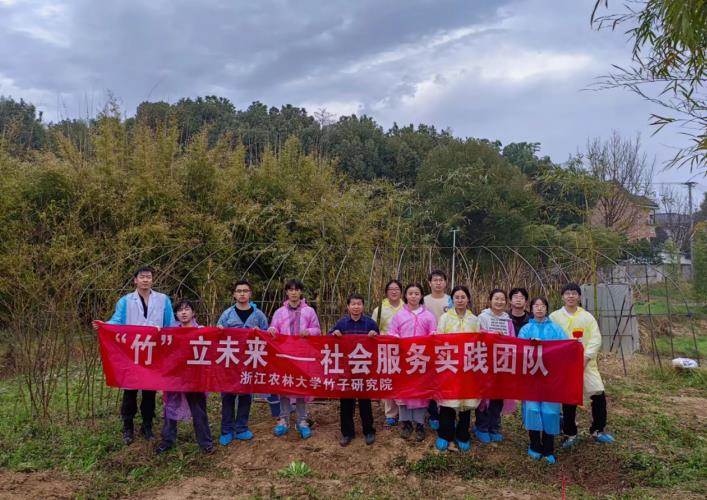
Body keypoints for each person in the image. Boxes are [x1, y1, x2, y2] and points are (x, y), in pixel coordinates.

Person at [92, 266, 173, 445]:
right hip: (131, 352)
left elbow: (170, 324)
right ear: (135, 280)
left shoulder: (163, 300)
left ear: (152, 280)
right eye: (142, 277)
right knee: (130, 391)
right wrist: (104, 325)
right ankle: (128, 426)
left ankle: (147, 425)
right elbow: (117, 321)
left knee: (150, 390)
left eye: (148, 277)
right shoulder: (126, 301)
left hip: (153, 352)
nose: (145, 280)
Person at [550, 283, 615, 447]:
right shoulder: (554, 317)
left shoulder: (587, 317)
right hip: (564, 365)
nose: (571, 296)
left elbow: (595, 338)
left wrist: (585, 358)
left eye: (574, 293)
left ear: (579, 296)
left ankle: (597, 430)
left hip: (586, 364)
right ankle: (570, 433)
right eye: (567, 293)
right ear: (562, 296)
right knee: (569, 399)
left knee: (598, 395)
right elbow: (549, 338)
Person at [156, 300, 214, 454]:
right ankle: (167, 441)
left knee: (198, 410)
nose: (183, 313)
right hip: (175, 376)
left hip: (195, 378)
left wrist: (219, 331)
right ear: (176, 314)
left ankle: (205, 443)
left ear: (193, 313)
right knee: (170, 407)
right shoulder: (170, 333)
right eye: (180, 310)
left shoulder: (201, 331)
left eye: (187, 309)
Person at [216, 280, 269, 446]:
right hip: (230, 362)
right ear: (234, 294)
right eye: (239, 291)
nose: (242, 294)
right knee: (228, 395)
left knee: (246, 395)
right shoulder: (227, 315)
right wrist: (219, 330)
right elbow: (217, 335)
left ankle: (241, 428)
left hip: (249, 362)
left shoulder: (258, 315)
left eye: (245, 291)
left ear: (250, 294)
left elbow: (267, 337)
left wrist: (261, 333)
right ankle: (226, 430)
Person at [268, 279, 321, 439]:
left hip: (303, 356)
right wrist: (272, 329)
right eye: (290, 290)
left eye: (296, 289)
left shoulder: (309, 311)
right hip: (284, 355)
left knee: (301, 386)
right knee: (285, 386)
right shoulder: (279, 312)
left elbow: (317, 329)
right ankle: (283, 420)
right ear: (286, 292)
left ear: (300, 292)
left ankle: (302, 420)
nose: (293, 292)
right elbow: (273, 328)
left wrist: (309, 331)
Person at [517, 297, 567, 464]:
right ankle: (534, 444)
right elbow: (519, 350)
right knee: (532, 409)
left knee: (550, 411)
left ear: (547, 308)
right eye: (536, 306)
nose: (539, 308)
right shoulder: (525, 329)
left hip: (550, 377)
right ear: (531, 309)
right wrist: (530, 345)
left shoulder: (556, 329)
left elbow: (565, 347)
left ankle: (548, 448)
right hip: (531, 377)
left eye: (542, 306)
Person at [388, 283, 437, 442]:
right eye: (410, 293)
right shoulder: (399, 315)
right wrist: (396, 338)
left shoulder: (428, 315)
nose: (413, 296)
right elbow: (392, 332)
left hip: (421, 360)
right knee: (404, 393)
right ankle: (406, 424)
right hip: (404, 360)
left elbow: (433, 333)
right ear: (406, 295)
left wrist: (433, 336)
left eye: (417, 293)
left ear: (421, 295)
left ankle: (420, 425)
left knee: (420, 393)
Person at [330, 293, 379, 446]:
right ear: (348, 306)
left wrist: (375, 335)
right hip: (347, 370)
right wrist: (334, 334)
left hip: (364, 369)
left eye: (359, 304)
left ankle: (369, 431)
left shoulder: (370, 323)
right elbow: (328, 337)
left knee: (365, 402)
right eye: (353, 304)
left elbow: (380, 343)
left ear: (363, 306)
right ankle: (347, 433)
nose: (356, 307)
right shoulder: (342, 323)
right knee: (346, 402)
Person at [434, 285, 480, 452]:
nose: (460, 300)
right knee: (448, 402)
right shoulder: (445, 318)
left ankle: (463, 434)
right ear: (452, 300)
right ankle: (445, 434)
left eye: (463, 297)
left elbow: (479, 342)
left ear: (468, 299)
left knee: (466, 403)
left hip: (468, 367)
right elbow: (439, 340)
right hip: (449, 366)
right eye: (456, 297)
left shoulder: (474, 319)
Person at [475, 288, 516, 444]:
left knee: (498, 395)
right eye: (496, 299)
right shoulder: (482, 318)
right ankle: (481, 427)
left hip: (502, 362)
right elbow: (477, 337)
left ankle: (495, 427)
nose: (499, 302)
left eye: (502, 299)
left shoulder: (508, 320)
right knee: (484, 396)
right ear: (490, 300)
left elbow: (513, 340)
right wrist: (492, 336)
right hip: (485, 361)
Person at [372, 279, 404, 426]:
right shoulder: (379, 310)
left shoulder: (406, 307)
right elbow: (374, 329)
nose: (394, 291)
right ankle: (391, 413)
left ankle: (404, 410)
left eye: (397, 289)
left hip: (404, 348)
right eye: (391, 289)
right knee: (389, 379)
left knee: (403, 379)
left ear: (401, 292)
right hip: (386, 348)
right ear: (386, 292)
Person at [423, 270, 452, 431]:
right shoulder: (424, 300)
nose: (438, 283)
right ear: (430, 283)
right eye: (435, 280)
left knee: (446, 378)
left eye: (441, 280)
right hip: (428, 345)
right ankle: (433, 413)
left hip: (447, 346)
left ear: (445, 282)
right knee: (431, 379)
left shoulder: (451, 300)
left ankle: (447, 411)